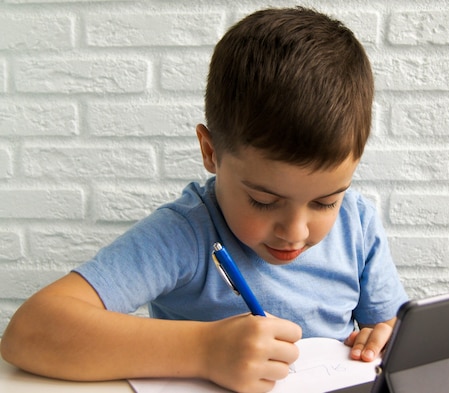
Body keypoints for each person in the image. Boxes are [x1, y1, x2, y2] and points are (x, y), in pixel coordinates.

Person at [1, 7, 408, 393]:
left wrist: (383, 337)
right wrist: (205, 350)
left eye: (324, 203)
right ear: (211, 152)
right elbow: (30, 334)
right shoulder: (184, 234)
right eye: (264, 200)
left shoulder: (357, 222)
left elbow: (389, 327)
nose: (296, 232)